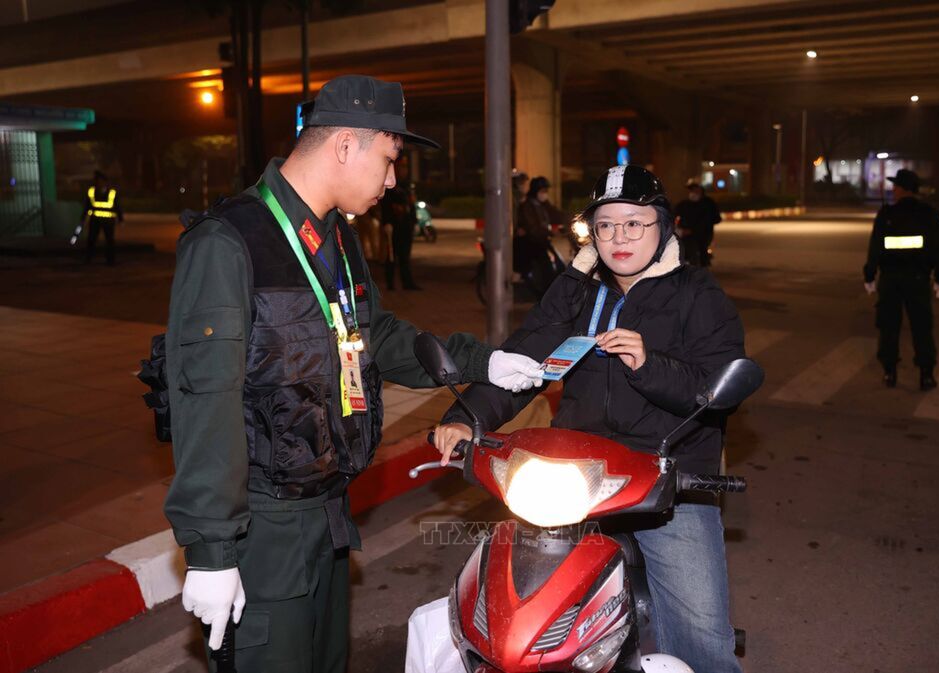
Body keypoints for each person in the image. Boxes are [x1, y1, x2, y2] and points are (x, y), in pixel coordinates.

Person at [163, 75, 545, 673]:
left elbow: (374, 334)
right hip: (265, 527)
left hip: (328, 511)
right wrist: (211, 552)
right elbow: (205, 402)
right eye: (389, 160)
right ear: (345, 145)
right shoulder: (229, 242)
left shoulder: (337, 236)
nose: (392, 181)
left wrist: (481, 361)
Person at [433, 164, 746, 672]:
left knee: (701, 636)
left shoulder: (697, 293)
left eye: (634, 223)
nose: (619, 238)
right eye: (605, 225)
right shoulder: (576, 290)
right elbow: (525, 359)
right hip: (577, 479)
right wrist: (467, 417)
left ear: (662, 226)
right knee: (516, 616)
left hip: (668, 485)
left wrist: (650, 365)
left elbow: (718, 388)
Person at [863, 168, 939, 390]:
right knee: (922, 327)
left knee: (889, 327)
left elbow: (875, 248)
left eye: (895, 186)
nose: (893, 190)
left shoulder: (886, 215)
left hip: (890, 280)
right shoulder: (930, 214)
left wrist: (869, 275)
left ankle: (889, 372)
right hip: (918, 279)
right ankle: (926, 375)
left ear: (902, 189)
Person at [381, 155, 420, 290]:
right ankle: (390, 284)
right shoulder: (391, 185)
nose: (404, 170)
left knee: (405, 256)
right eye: (402, 167)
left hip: (406, 225)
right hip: (394, 226)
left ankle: (407, 282)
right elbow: (386, 206)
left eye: (406, 167)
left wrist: (414, 221)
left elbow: (411, 206)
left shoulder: (407, 185)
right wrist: (387, 222)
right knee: (391, 255)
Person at [674, 179, 720, 267]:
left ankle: (702, 266)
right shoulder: (684, 204)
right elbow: (674, 214)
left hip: (703, 235)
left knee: (700, 253)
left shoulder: (708, 204)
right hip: (685, 235)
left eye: (696, 189)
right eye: (691, 190)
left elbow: (712, 219)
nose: (693, 192)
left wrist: (693, 230)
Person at [81, 170, 123, 265]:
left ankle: (110, 260)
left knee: (109, 241)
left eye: (100, 181)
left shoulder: (112, 193)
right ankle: (88, 258)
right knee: (91, 240)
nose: (99, 183)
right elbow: (87, 206)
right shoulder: (92, 192)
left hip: (108, 221)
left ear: (105, 182)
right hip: (95, 220)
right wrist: (83, 218)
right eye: (97, 181)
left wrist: (121, 219)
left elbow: (117, 206)